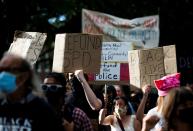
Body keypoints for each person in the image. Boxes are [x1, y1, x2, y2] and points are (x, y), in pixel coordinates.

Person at [0, 53, 64, 130]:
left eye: (9, 70)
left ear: (24, 76)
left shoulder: (42, 110)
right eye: (1, 70)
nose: (2, 75)